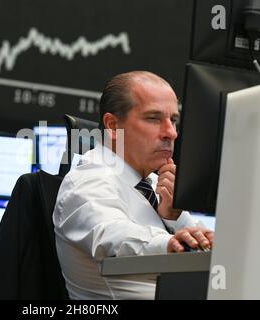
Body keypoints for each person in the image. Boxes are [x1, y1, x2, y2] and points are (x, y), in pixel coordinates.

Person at [52, 71, 214, 300]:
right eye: (154, 118)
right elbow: (111, 236)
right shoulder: (88, 179)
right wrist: (172, 244)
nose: (171, 132)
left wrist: (174, 217)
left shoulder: (157, 184)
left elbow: (204, 251)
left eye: (173, 120)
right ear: (112, 125)